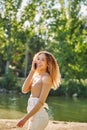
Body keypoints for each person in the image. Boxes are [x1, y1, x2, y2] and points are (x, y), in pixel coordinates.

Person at [17, 51, 61, 130]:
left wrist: (24, 119)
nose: (39, 61)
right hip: (33, 116)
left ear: (48, 64)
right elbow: (24, 90)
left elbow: (41, 102)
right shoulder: (36, 76)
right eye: (38, 59)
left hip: (39, 117)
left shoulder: (46, 78)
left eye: (43, 60)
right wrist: (32, 71)